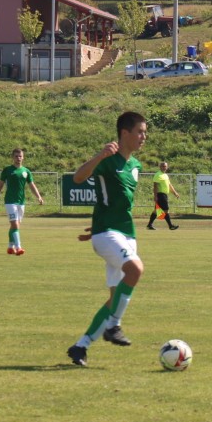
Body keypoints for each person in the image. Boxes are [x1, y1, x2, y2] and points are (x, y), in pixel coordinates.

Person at [67, 111, 148, 367]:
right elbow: (78, 178)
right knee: (136, 269)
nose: (144, 137)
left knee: (114, 299)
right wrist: (100, 155)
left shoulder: (135, 166)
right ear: (125, 133)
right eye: (140, 132)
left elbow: (116, 203)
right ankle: (114, 326)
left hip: (125, 233)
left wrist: (99, 224)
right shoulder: (107, 159)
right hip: (108, 234)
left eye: (145, 132)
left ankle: (80, 347)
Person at [0, 148, 44, 255]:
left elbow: (31, 185)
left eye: (20, 156)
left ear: (23, 157)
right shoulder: (7, 170)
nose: (18, 158)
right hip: (10, 201)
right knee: (15, 225)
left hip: (21, 202)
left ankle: (10, 247)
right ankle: (18, 247)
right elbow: (0, 184)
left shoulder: (26, 171)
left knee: (15, 226)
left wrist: (38, 196)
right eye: (16, 156)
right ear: (12, 157)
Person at [147, 161, 180, 230]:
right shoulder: (158, 175)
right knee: (166, 210)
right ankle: (171, 226)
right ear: (160, 167)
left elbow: (169, 185)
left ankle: (149, 225)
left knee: (156, 211)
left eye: (165, 166)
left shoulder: (165, 175)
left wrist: (175, 193)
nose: (164, 167)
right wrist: (155, 196)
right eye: (163, 166)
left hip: (164, 195)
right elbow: (155, 186)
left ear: (167, 167)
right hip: (160, 195)